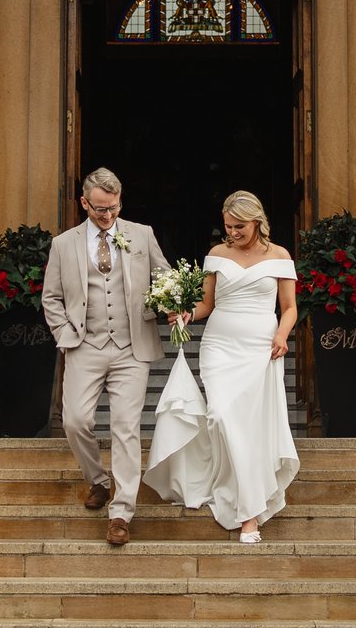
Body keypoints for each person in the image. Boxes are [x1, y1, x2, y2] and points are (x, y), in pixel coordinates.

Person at [143, 190, 302, 541]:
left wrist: (282, 335)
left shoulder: (280, 256)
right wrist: (187, 313)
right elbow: (207, 303)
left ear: (257, 222)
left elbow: (289, 307)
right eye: (228, 226)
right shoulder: (216, 254)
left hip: (260, 348)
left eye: (239, 226)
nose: (232, 232)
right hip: (219, 347)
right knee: (221, 417)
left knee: (250, 428)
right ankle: (235, 495)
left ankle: (249, 515)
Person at [39, 167, 170, 547]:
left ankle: (121, 511)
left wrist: (172, 303)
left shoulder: (141, 235)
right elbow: (52, 298)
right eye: (99, 209)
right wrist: (67, 336)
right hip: (86, 344)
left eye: (112, 208)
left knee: (125, 427)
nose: (107, 216)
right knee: (75, 420)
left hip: (132, 347)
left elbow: (163, 277)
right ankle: (98, 479)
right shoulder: (63, 244)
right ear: (84, 203)